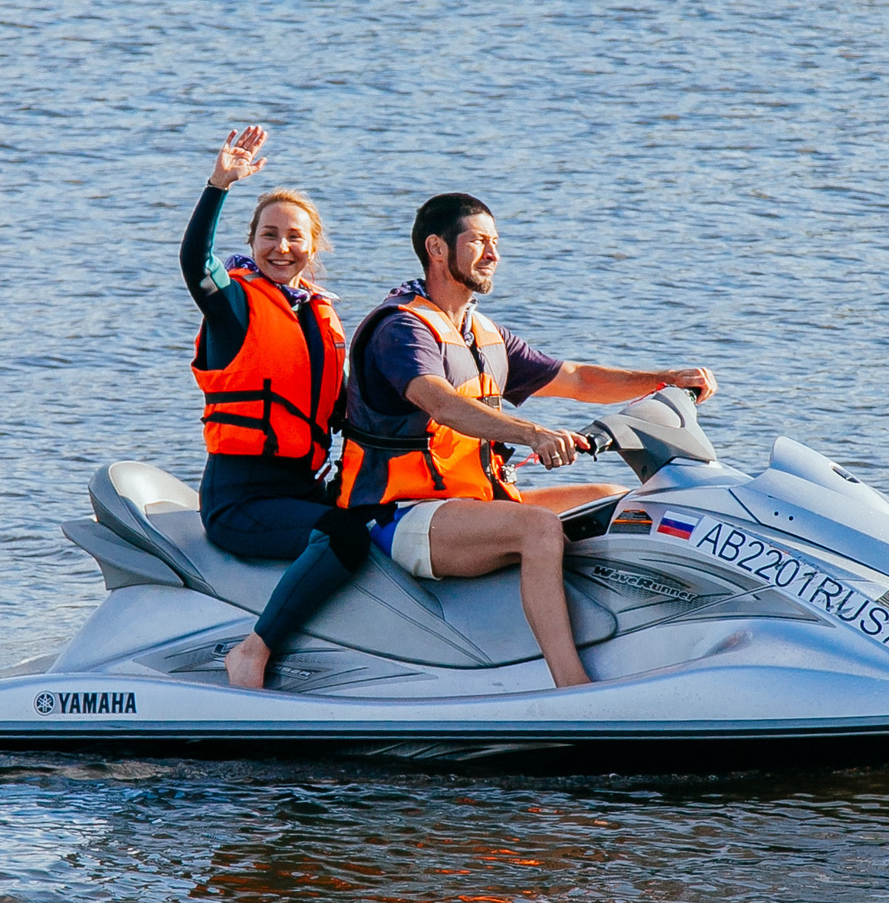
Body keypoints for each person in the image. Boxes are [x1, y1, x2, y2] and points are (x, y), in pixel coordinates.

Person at [225, 192, 715, 691]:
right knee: (539, 530)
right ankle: (571, 684)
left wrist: (665, 378)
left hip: (468, 504)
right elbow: (440, 402)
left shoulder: (482, 334)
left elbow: (579, 380)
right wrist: (533, 433)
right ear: (437, 249)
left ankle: (641, 641)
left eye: (495, 242)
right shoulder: (401, 329)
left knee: (618, 501)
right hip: (399, 514)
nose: (493, 254)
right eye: (479, 241)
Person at [182, 124, 346, 562]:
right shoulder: (232, 305)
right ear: (252, 242)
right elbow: (195, 261)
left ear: (313, 248)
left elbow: (354, 411)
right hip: (240, 503)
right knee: (341, 534)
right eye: (269, 235)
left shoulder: (318, 319)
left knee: (388, 517)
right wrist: (219, 185)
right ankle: (266, 636)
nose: (281, 247)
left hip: (305, 487)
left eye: (295, 237)